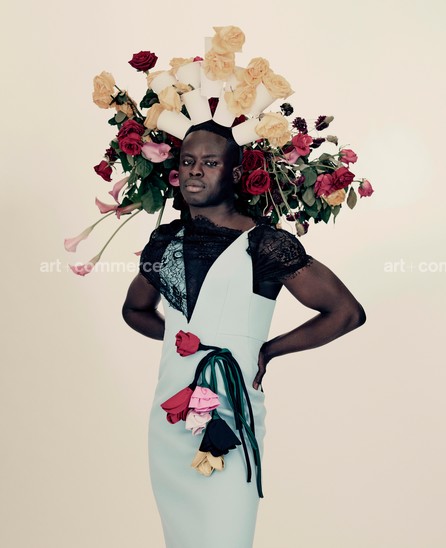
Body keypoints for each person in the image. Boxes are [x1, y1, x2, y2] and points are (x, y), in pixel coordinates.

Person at [122, 120, 366, 548]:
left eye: (210, 162)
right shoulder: (165, 241)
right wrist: (185, 339)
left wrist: (267, 351)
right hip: (169, 422)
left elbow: (346, 313)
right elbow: (134, 310)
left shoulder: (265, 244)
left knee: (226, 534)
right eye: (188, 161)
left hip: (232, 416)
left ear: (235, 173)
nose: (196, 171)